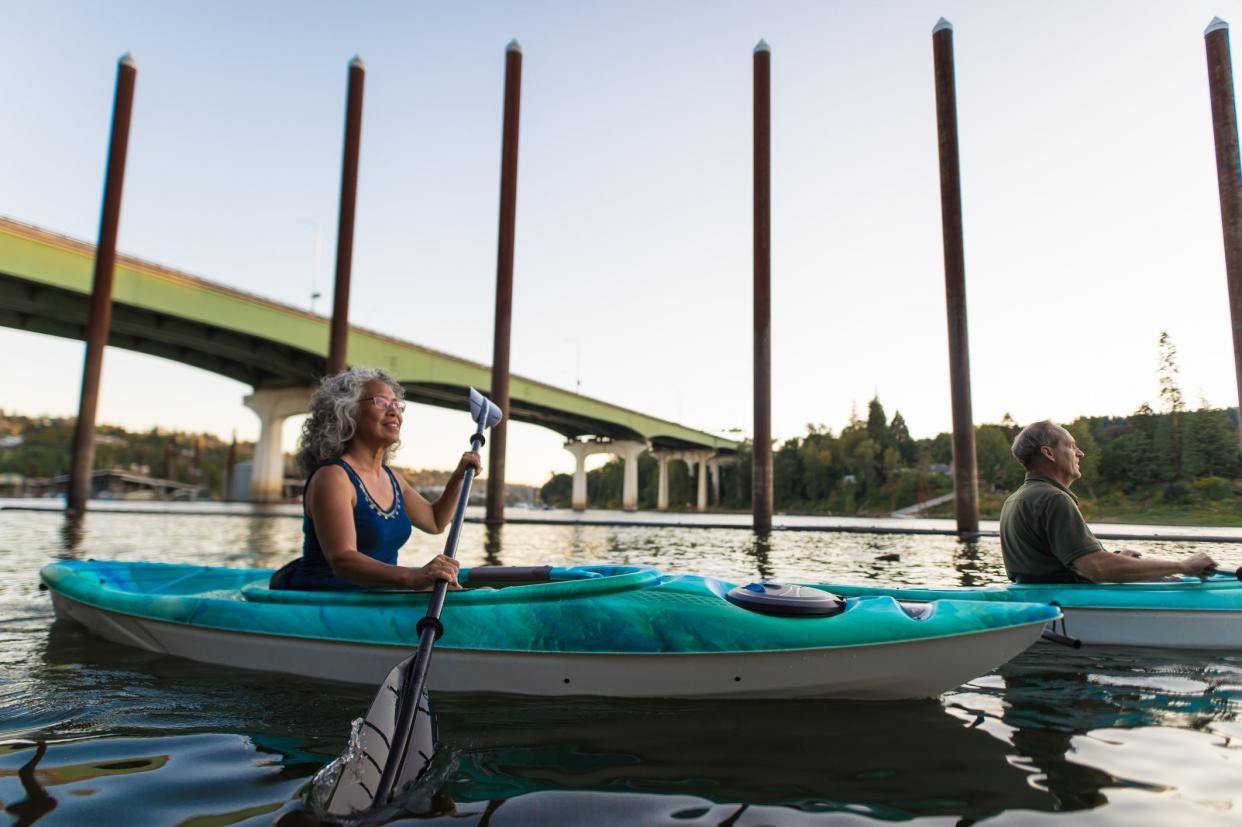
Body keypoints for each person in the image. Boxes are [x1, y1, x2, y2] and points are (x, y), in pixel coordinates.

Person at [273, 367, 482, 591]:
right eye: (381, 402)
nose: (394, 411)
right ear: (347, 412)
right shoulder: (333, 477)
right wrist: (413, 577)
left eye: (397, 404)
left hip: (379, 596)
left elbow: (435, 521)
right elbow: (342, 559)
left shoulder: (392, 478)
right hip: (325, 602)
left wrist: (459, 478)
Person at [999, 420, 1216, 583]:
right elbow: (1096, 569)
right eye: (1071, 446)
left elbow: (1052, 563)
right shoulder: (1053, 498)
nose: (1080, 453)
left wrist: (1117, 559)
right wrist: (1182, 566)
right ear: (1048, 453)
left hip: (1038, 598)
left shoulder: (1015, 499)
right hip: (1066, 603)